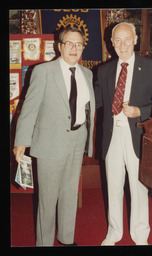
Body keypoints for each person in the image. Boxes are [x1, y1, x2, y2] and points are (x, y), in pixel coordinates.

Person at [13, 27, 95, 246]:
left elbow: (87, 110)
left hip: (77, 141)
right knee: (47, 200)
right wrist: (21, 141)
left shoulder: (87, 74)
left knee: (69, 194)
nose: (74, 48)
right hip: (50, 143)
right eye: (69, 43)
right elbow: (29, 108)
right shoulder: (43, 71)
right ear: (59, 46)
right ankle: (44, 243)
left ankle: (66, 239)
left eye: (78, 44)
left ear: (83, 48)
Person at [94, 22, 152, 246]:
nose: (123, 45)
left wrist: (140, 111)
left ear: (135, 40)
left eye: (127, 39)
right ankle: (114, 232)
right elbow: (94, 101)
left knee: (138, 188)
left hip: (138, 135)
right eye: (118, 40)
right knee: (113, 185)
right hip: (111, 136)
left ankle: (140, 235)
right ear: (112, 44)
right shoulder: (104, 70)